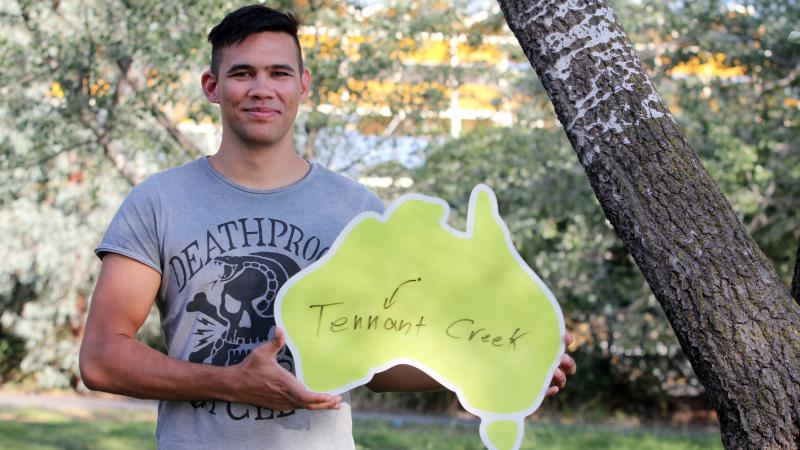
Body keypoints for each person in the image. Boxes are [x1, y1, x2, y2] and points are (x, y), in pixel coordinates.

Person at [79, 5, 576, 449]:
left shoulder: (359, 211)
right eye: (242, 73)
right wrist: (231, 383)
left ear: (303, 84)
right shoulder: (159, 201)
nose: (261, 89)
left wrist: (501, 358)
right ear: (212, 87)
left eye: (278, 72)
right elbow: (101, 359)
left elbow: (387, 358)